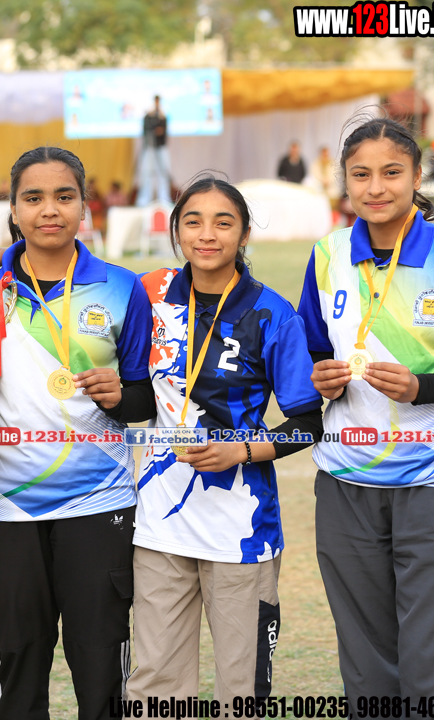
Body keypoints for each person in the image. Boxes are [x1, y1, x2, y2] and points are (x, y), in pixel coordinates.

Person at [298, 117, 434, 704]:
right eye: (361, 175)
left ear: (417, 176)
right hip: (346, 481)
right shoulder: (327, 255)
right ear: (344, 181)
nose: (376, 188)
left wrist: (423, 388)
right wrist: (322, 378)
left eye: (392, 172)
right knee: (366, 658)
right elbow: (312, 351)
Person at [0, 146, 154, 719]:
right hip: (6, 505)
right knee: (19, 661)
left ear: (84, 206)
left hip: (98, 502)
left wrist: (119, 396)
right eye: (33, 198)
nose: (49, 210)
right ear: (13, 209)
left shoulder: (123, 287)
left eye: (63, 196)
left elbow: (146, 397)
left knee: (100, 664)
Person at [127, 176, 324, 701]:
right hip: (159, 526)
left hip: (241, 532)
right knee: (154, 685)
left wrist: (241, 450)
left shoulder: (272, 313)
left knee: (241, 690)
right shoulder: (148, 293)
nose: (207, 234)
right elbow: (79, 274)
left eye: (223, 222)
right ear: (176, 231)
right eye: (193, 221)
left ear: (244, 234)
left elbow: (308, 422)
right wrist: (4, 259)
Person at [137, 95, 171, 206]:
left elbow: (162, 131)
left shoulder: (163, 116)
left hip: (160, 147)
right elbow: (147, 129)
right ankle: (144, 199)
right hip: (149, 148)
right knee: (146, 173)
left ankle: (164, 199)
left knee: (163, 173)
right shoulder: (148, 116)